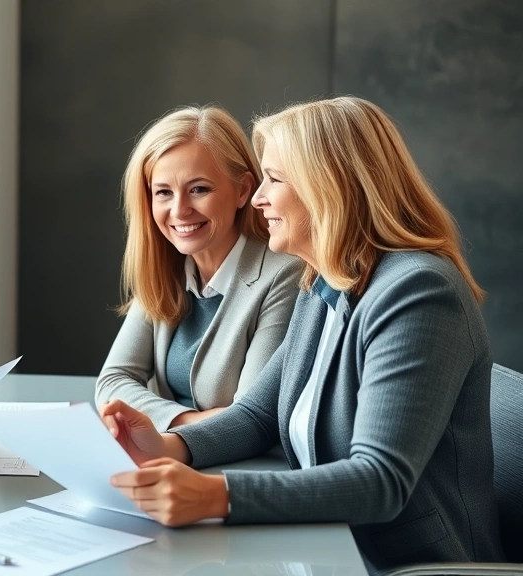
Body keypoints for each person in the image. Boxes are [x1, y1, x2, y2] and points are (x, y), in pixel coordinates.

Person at [100, 97, 504, 572]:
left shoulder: (418, 292)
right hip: (325, 546)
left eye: (274, 179)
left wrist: (216, 495)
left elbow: (381, 481)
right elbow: (257, 415)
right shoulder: (326, 280)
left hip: (402, 564)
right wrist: (170, 446)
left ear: (328, 186)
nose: (257, 199)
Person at [96, 106, 301, 430]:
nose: (179, 210)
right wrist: (188, 421)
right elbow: (112, 382)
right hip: (167, 450)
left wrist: (158, 428)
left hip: (238, 460)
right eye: (163, 192)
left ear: (243, 190)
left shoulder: (284, 275)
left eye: (199, 189)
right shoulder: (165, 266)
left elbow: (249, 418)